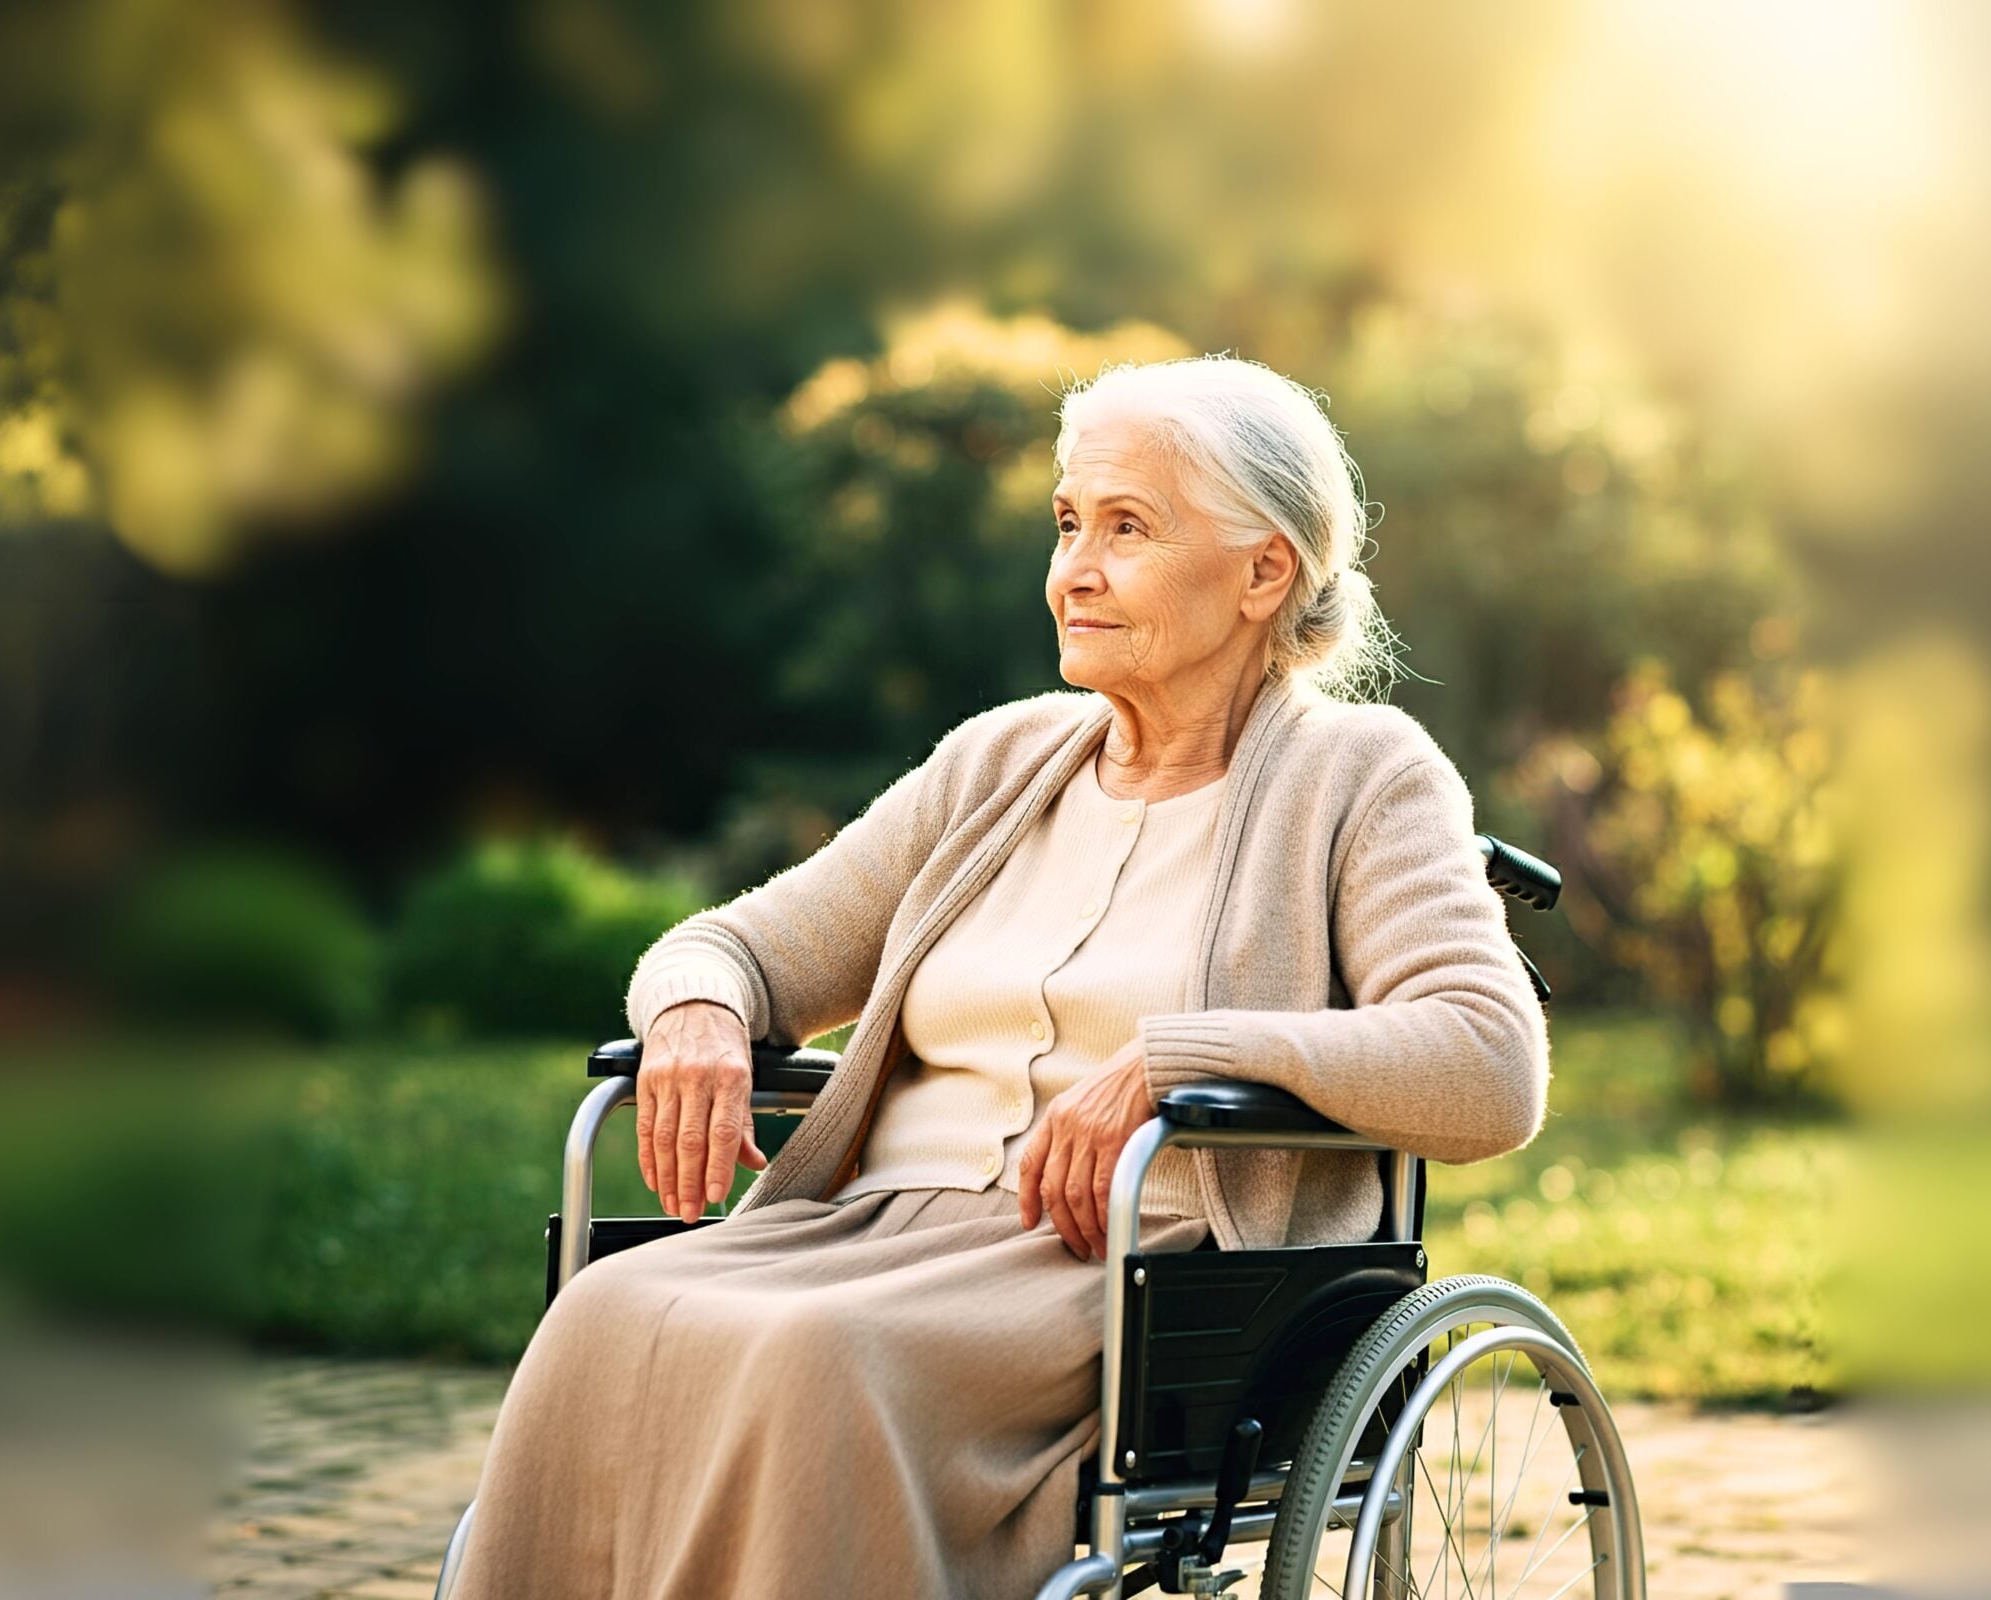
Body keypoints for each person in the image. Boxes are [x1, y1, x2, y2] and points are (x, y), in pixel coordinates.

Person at [445, 354, 1551, 1599]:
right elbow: (734, 943)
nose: (1074, 569)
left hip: (1114, 1267)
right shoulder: (998, 762)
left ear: (1263, 572)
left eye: (1127, 528)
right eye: (1069, 523)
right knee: (601, 1318)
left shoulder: (1359, 774)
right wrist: (697, 1009)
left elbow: (1487, 1065)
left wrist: (1183, 1057)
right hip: (861, 1226)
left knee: (814, 1355)